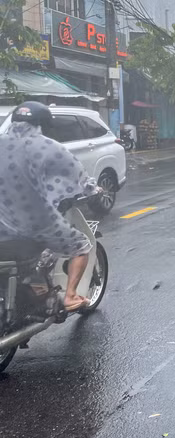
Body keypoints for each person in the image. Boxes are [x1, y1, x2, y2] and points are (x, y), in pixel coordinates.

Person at [0, 102, 98, 311]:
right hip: (34, 223)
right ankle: (71, 296)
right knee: (81, 246)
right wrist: (93, 189)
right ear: (42, 124)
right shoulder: (47, 146)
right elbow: (79, 177)